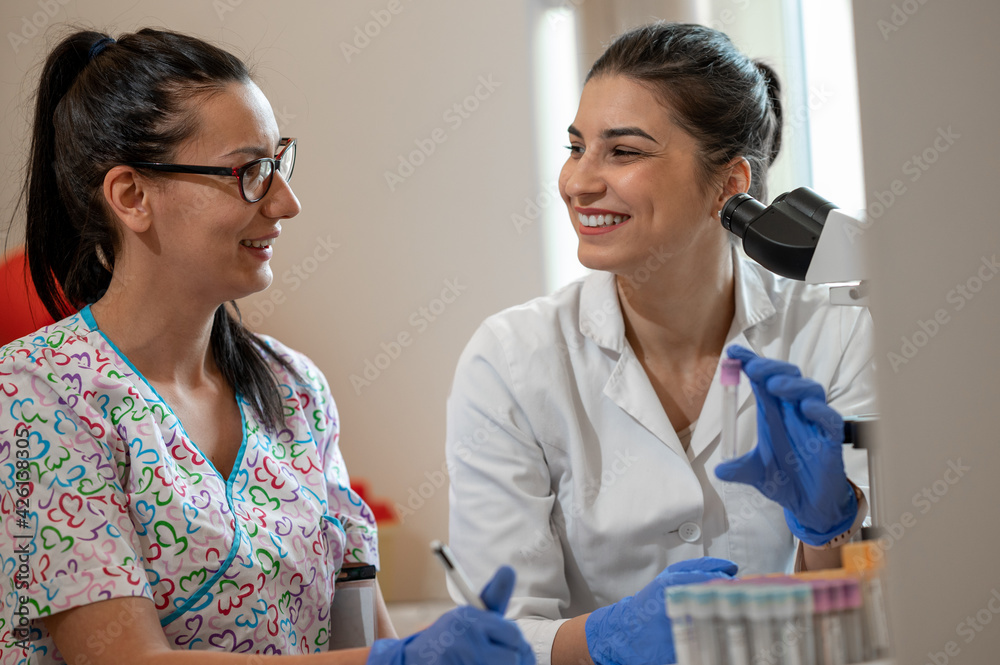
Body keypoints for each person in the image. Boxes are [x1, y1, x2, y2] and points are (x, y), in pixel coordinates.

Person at [0, 28, 533, 665]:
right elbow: (125, 660)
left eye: (279, 162)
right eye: (250, 172)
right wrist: (399, 661)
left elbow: (360, 635)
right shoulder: (35, 394)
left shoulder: (293, 387)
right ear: (132, 196)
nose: (286, 201)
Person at [446, 22, 874, 665]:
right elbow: (495, 636)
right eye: (575, 147)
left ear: (732, 184)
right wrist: (600, 638)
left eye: (624, 152)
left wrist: (829, 526)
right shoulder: (513, 359)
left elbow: (878, 619)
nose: (578, 183)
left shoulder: (835, 331)